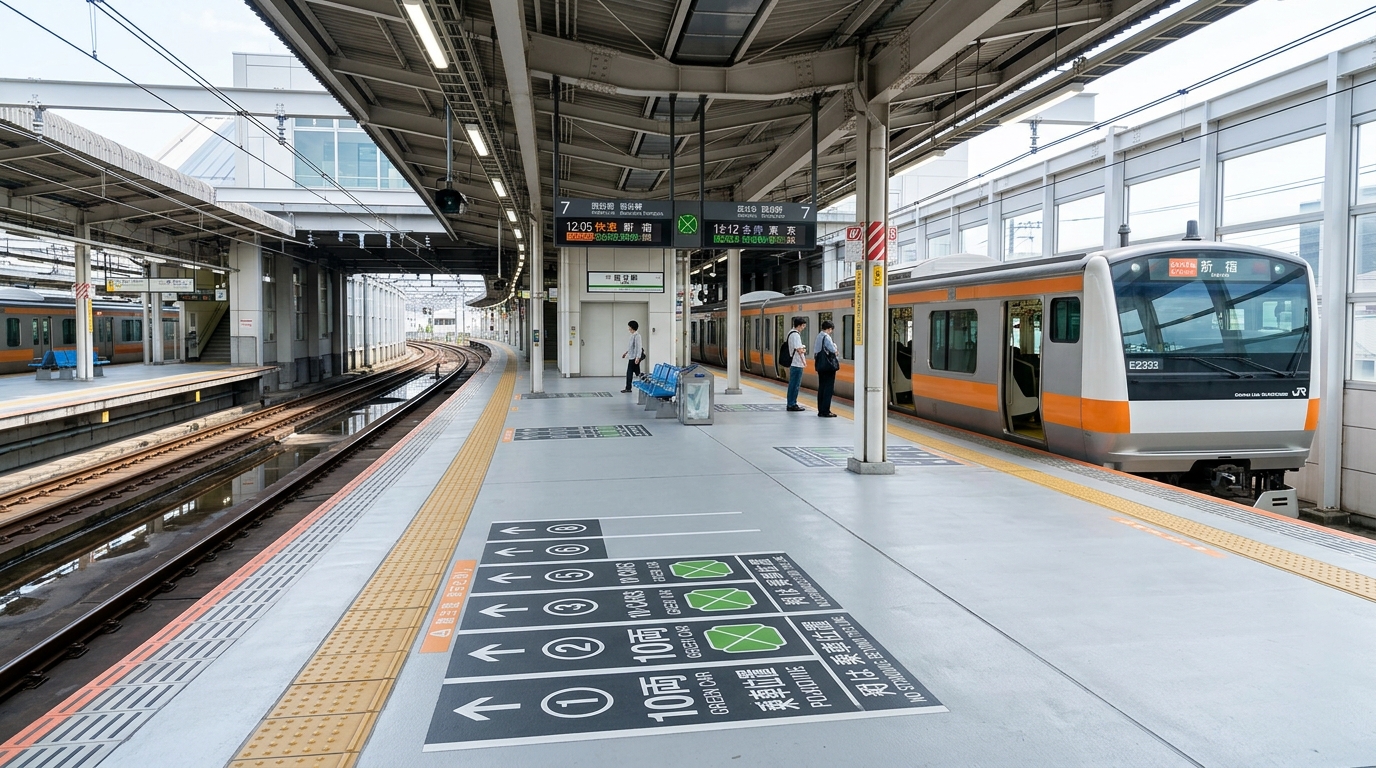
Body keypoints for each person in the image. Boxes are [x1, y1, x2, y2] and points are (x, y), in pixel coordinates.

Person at [814, 320, 838, 417]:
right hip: (828, 367)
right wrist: (835, 348)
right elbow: (833, 350)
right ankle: (826, 411)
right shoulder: (826, 337)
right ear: (829, 329)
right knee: (828, 388)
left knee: (822, 387)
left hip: (820, 365)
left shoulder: (819, 336)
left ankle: (821, 410)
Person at [785, 316, 807, 412]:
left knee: (793, 384)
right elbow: (799, 349)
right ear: (799, 325)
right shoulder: (796, 335)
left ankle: (791, 402)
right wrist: (803, 350)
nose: (803, 328)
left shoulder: (790, 333)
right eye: (803, 326)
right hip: (797, 363)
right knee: (795, 384)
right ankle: (792, 403)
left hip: (794, 363)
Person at [620, 320, 643, 393]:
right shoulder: (632, 336)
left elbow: (638, 347)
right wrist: (626, 353)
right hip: (631, 356)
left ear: (632, 327)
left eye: (629, 327)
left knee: (630, 373)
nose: (628, 328)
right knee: (637, 373)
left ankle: (628, 388)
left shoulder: (637, 336)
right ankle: (629, 387)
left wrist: (638, 357)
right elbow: (631, 347)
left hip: (634, 358)